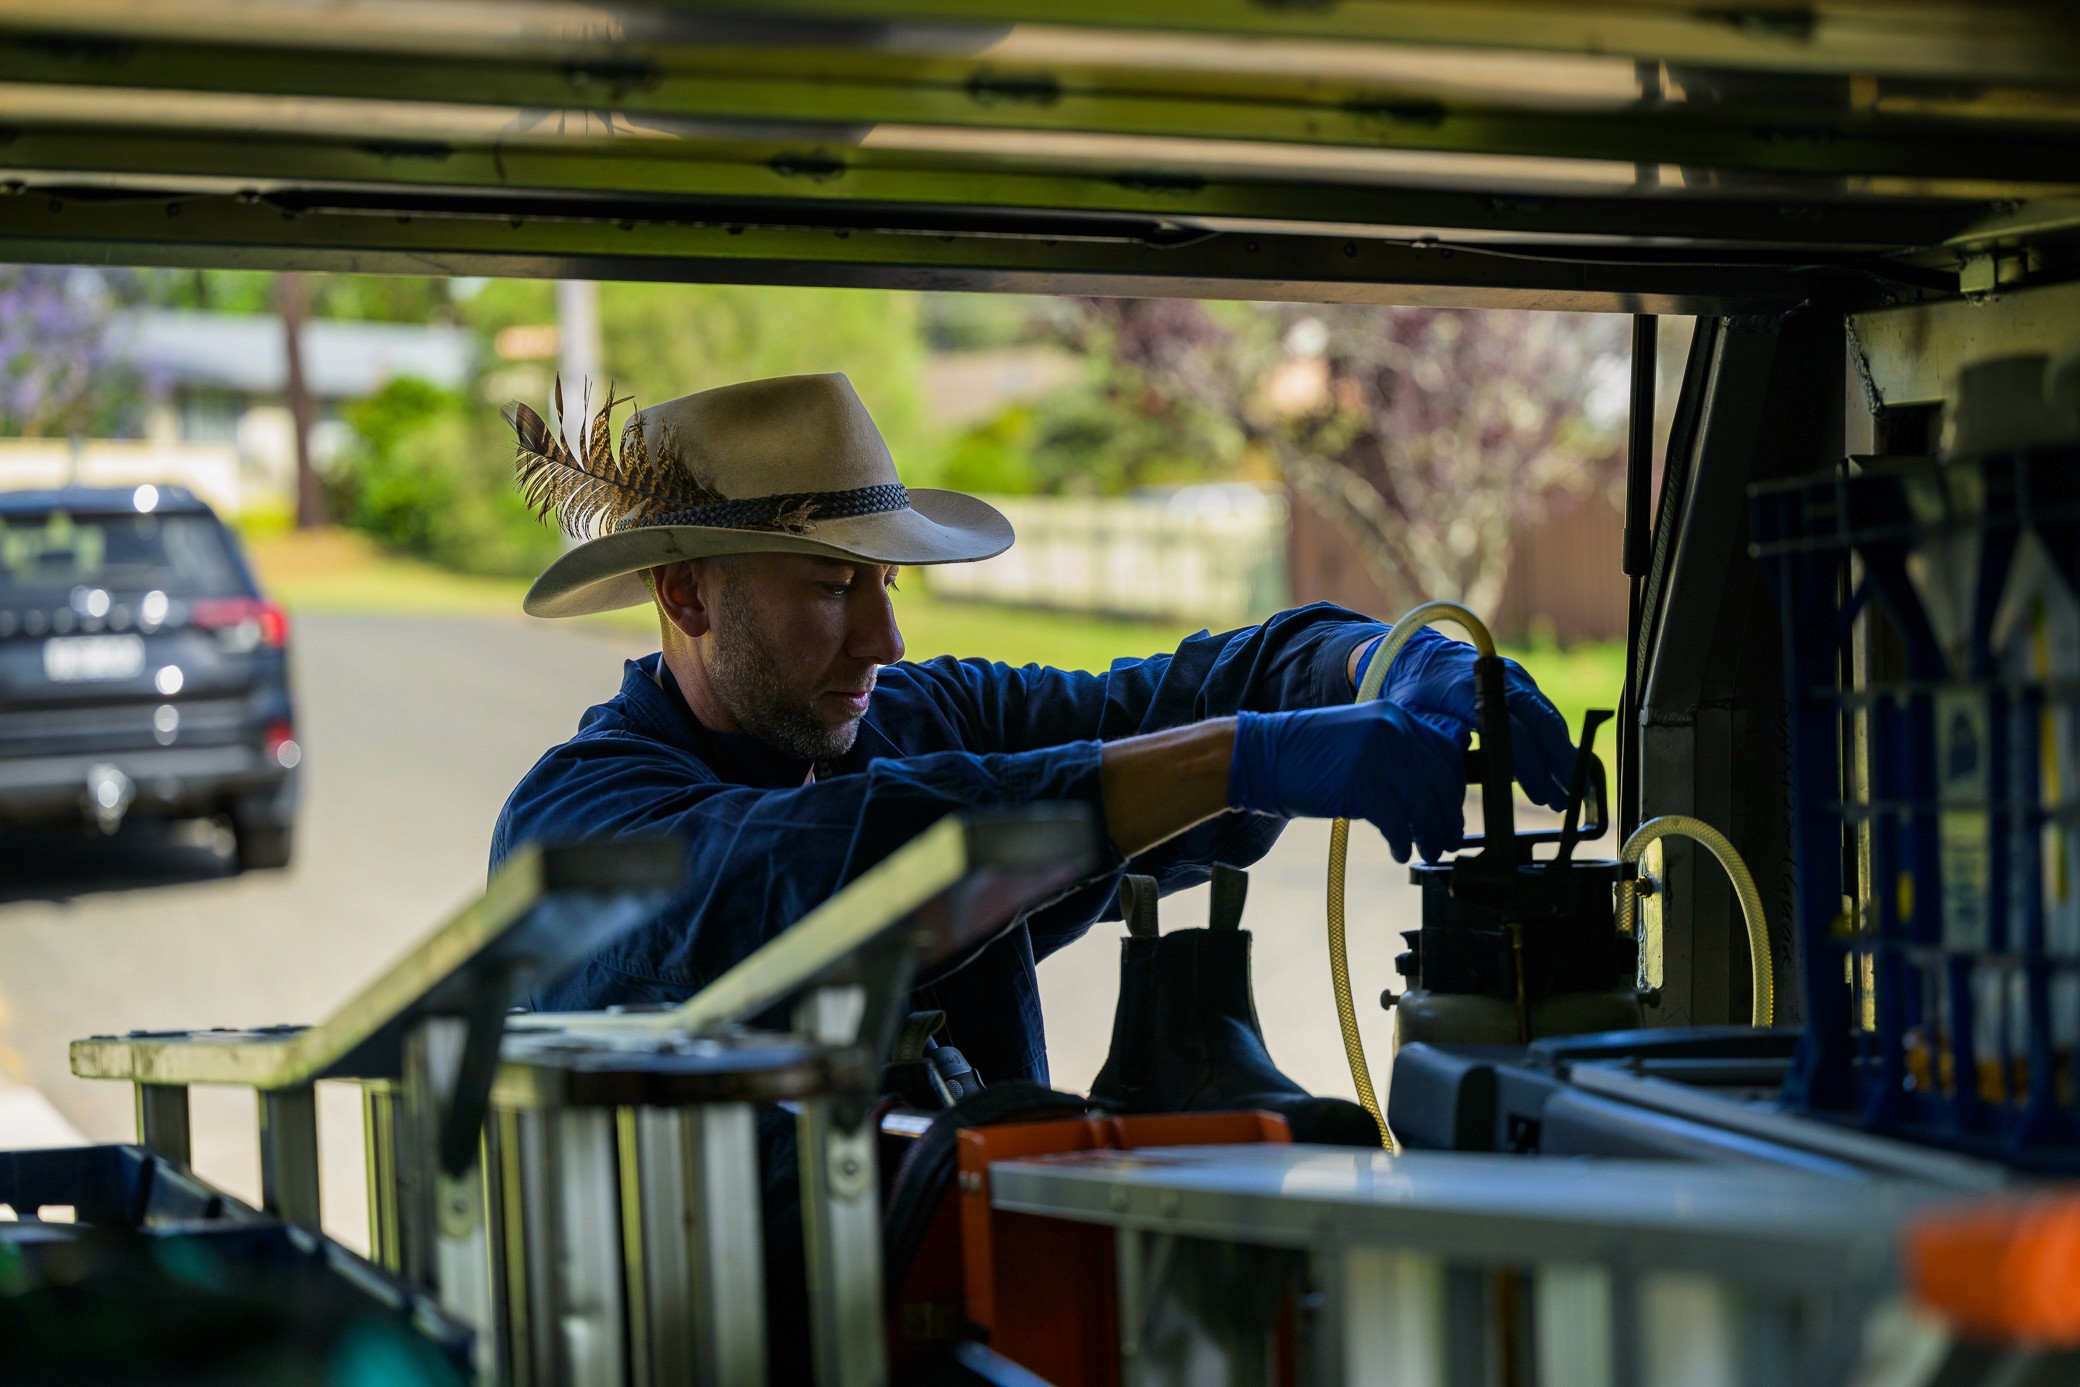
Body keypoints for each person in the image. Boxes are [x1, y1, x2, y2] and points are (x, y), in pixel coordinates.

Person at [491, 371, 1577, 1088]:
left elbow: (1177, 694)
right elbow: (841, 866)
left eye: (887, 583)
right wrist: (1240, 757)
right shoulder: (576, 828)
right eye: (832, 589)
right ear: (685, 596)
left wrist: (1382, 661)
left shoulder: (925, 720)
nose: (887, 640)